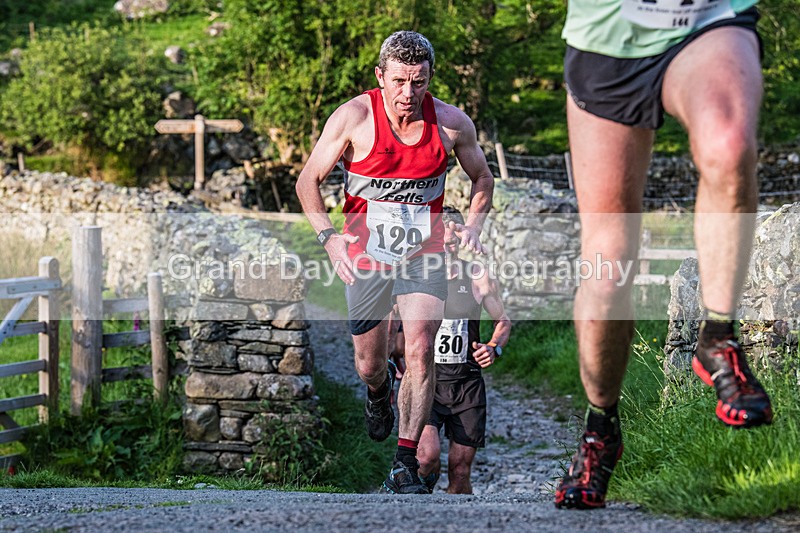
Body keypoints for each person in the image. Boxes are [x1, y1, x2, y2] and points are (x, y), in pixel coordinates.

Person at [554, 1, 773, 510]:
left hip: (708, 19)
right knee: (607, 268)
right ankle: (601, 427)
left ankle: (718, 337)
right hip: (608, 38)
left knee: (728, 144)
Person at [296, 30, 494, 494]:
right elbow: (308, 181)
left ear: (430, 78)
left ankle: (404, 463)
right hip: (365, 256)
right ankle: (378, 391)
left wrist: (473, 225)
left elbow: (483, 177)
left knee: (421, 348)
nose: (409, 93)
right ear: (380, 76)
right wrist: (329, 239)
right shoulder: (354, 117)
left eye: (419, 82)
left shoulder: (451, 123)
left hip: (424, 254)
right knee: (370, 363)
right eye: (400, 81)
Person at [416, 206, 511, 494]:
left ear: (462, 237)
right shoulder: (417, 276)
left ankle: (457, 516)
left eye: (454, 237)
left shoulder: (478, 276)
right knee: (426, 458)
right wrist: (395, 361)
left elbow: (503, 321)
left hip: (466, 384)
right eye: (443, 237)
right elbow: (395, 324)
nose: (449, 242)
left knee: (460, 470)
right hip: (427, 382)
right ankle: (418, 503)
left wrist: (494, 347)